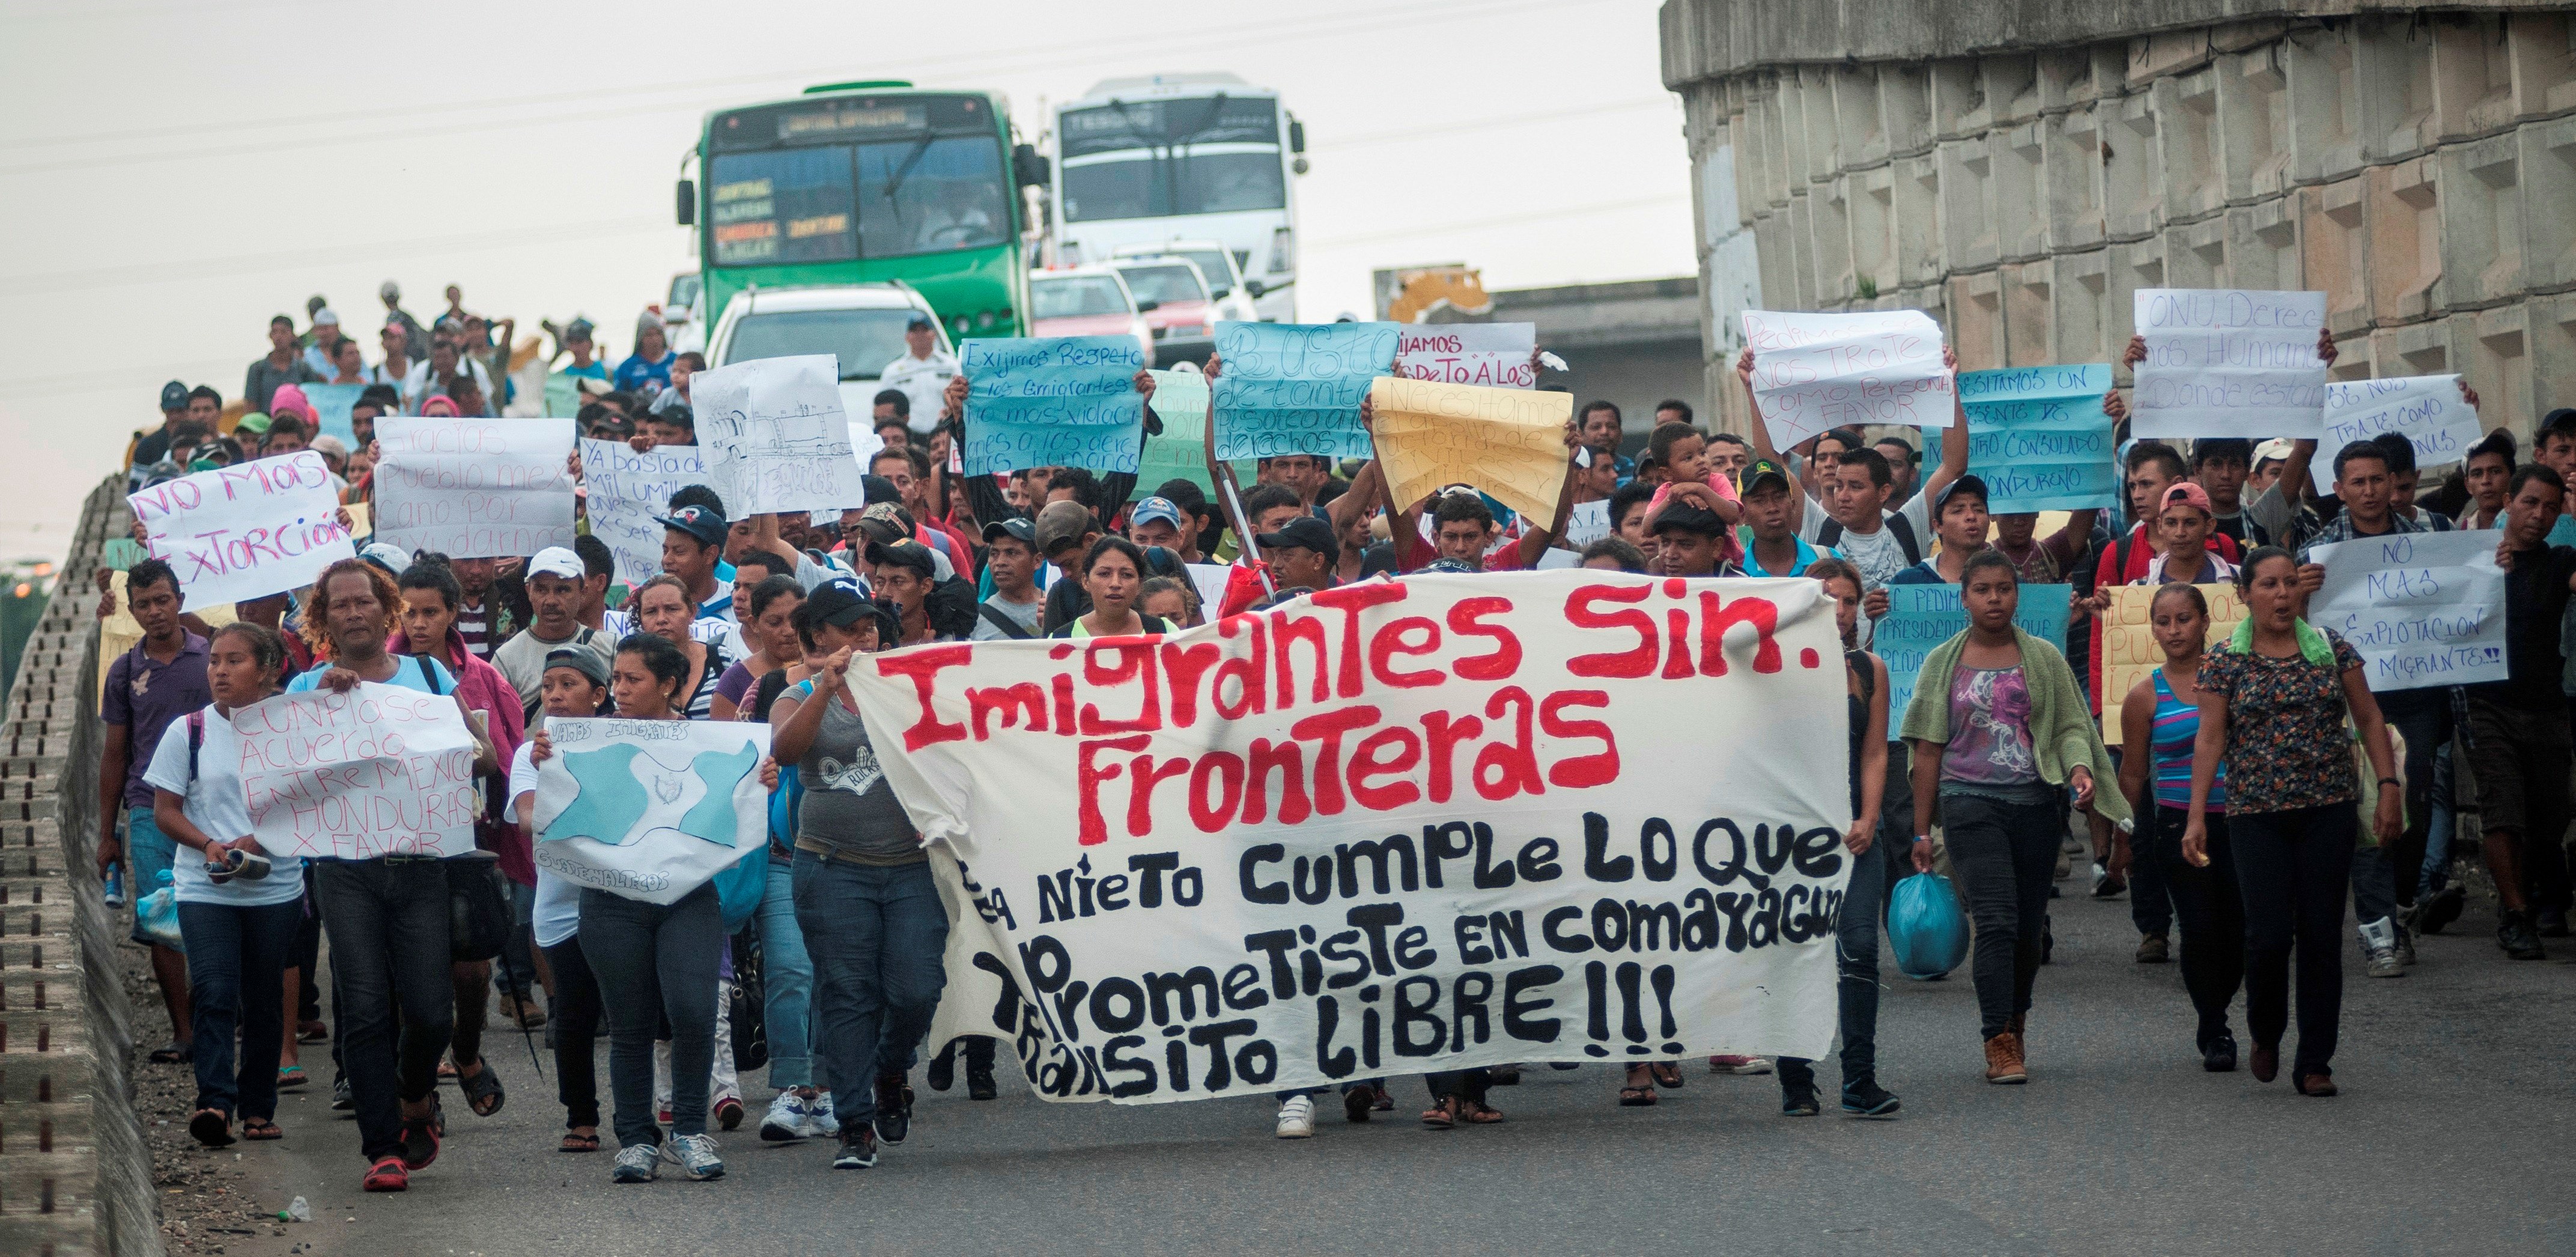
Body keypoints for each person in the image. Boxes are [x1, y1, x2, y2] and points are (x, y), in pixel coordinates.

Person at [290, 558, 497, 1192]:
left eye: (364, 601)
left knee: (432, 1011)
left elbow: (484, 759)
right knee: (368, 1008)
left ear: (388, 610)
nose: (354, 612)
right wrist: (326, 713)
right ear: (323, 619)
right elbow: (285, 779)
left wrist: (437, 738)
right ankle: (382, 1146)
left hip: (421, 866)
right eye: (339, 604)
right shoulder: (304, 689)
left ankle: (414, 1094)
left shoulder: (429, 674)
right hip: (345, 870)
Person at [1901, 551, 2124, 1085]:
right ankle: (1997, 1038)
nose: (1994, 598)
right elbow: (1927, 748)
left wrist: (2078, 770)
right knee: (1997, 921)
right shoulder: (1943, 662)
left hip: (2035, 804)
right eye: (1983, 589)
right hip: (1968, 802)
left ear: (2017, 595)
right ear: (1965, 597)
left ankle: (2016, 1017)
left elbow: (2071, 726)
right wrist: (1920, 830)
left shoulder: (2043, 658)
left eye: (2004, 588)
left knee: (2027, 929)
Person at [2183, 547, 2401, 1096]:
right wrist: (2195, 817)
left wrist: (2390, 786)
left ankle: (2315, 1060)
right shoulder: (2223, 661)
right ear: (2246, 594)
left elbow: (2369, 717)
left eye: (2289, 584)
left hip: (2328, 811)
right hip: (2255, 816)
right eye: (2269, 585)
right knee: (2268, 936)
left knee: (2323, 934)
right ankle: (2266, 1030)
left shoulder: (2331, 650)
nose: (2282, 595)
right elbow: (2210, 738)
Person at [527, 635, 732, 1183]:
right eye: (615, 678)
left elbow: (736, 795)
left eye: (632, 679)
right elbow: (552, 803)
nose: (618, 689)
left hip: (688, 899)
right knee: (630, 1023)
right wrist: (543, 761)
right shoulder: (578, 740)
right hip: (610, 901)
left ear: (668, 685)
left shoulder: (705, 740)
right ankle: (637, 1139)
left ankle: (689, 1129)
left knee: (693, 1009)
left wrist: (757, 780)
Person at [768, 578, 946, 1171]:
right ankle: (853, 1123)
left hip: (911, 867)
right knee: (847, 993)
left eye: (869, 625)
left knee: (916, 987)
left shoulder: (908, 684)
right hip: (831, 867)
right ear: (818, 635)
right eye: (848, 626)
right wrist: (827, 685)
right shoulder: (794, 693)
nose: (863, 635)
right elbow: (789, 749)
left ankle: (892, 1066)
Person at [152, 622, 307, 1146]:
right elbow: (165, 811)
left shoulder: (292, 728)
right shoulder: (188, 731)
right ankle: (215, 1102)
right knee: (215, 989)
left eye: (234, 660)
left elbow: (308, 801)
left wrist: (259, 840)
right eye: (215, 659)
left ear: (267, 670)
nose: (219, 670)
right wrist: (207, 845)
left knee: (263, 999)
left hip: (275, 886)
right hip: (205, 884)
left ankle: (258, 1108)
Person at [2289, 440, 2437, 974]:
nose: (2371, 491)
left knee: (2411, 803)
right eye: (2359, 482)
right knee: (2372, 810)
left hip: (2416, 696)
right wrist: (2301, 595)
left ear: (2392, 482)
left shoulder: (2427, 543)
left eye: (2379, 480)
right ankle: (2380, 933)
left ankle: (2399, 906)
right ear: (2339, 490)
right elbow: (2293, 630)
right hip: (2351, 704)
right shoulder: (2319, 552)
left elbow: (2468, 594)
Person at [394, 558, 528, 1115]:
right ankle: (419, 1089)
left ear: (453, 613)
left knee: (471, 968)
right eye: (409, 611)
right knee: (409, 975)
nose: (419, 623)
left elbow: (499, 756)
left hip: (464, 838)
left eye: (431, 612)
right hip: (395, 844)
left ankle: (467, 1053)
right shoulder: (373, 674)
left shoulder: (480, 678)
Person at [1775, 558, 1900, 1118]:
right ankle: (1796, 1079)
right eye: (1828, 599)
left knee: (1861, 948)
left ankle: (1859, 1077)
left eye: (1849, 600)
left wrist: (1870, 817)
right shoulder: (1773, 667)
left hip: (1853, 833)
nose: (1841, 611)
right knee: (1794, 952)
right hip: (1789, 838)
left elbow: (1875, 751)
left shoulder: (1870, 669)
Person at [2116, 584, 2244, 1071]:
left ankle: (2219, 1001)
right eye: (2164, 621)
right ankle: (2214, 1026)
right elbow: (2132, 773)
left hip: (2239, 819)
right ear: (2152, 628)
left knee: (2240, 931)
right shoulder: (2144, 695)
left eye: (2184, 619)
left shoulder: (2232, 679)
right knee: (2199, 926)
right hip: (2176, 824)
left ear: (2205, 621)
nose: (2174, 630)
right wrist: (2122, 838)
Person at [97, 558, 208, 1065]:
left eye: (163, 599)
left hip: (210, 804)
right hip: (147, 805)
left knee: (215, 913)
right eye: (143, 604)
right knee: (163, 913)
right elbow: (115, 753)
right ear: (132, 609)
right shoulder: (124, 670)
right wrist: (106, 834)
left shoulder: (212, 658)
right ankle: (184, 1032)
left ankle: (217, 1017)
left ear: (179, 600)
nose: (155, 611)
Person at [2469, 467, 2576, 959]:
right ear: (2509, 501)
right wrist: (2484, 569)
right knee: (2502, 812)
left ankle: (2529, 896)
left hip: (2548, 710)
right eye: (2531, 503)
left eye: (2552, 507)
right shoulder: (2474, 559)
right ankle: (2515, 915)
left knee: (2549, 817)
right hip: (2490, 705)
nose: (2540, 515)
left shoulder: (2560, 561)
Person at [509, 649, 612, 1152]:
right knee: (573, 1012)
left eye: (568, 684)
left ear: (598, 694)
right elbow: (530, 820)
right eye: (548, 684)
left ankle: (655, 1109)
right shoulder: (527, 755)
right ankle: (582, 1116)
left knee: (637, 1011)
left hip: (623, 901)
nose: (554, 694)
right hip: (562, 907)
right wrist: (547, 769)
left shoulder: (624, 745)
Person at [492, 548, 616, 729]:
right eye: (541, 589)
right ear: (528, 591)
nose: (551, 601)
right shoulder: (506, 659)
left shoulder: (611, 648)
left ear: (583, 591)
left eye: (563, 590)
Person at [631, 574, 734, 719]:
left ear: (691, 613)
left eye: (672, 609)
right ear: (641, 620)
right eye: (651, 612)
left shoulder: (722, 660)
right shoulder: (628, 668)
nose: (661, 619)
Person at [712, 575, 804, 722]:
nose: (789, 631)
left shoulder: (825, 670)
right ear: (754, 624)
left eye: (797, 620)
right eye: (775, 623)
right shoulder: (734, 683)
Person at [1052, 537, 1170, 639]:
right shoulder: (1060, 640)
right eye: (1104, 574)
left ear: (1139, 584)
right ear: (1086, 581)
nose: (1115, 584)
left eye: (1127, 575)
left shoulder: (1166, 633)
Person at [1736, 459, 1834, 577]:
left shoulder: (1829, 560)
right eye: (1759, 501)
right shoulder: (1735, 573)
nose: (1772, 508)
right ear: (1743, 515)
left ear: (1793, 506)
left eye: (1779, 497)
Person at [1889, 477, 1993, 586]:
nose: (1971, 516)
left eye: (1979, 510)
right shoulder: (1908, 582)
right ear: (1938, 526)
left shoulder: (2008, 578)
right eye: (1958, 511)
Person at [881, 314, 958, 435]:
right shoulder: (893, 372)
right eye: (915, 331)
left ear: (934, 334)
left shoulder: (951, 366)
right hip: (910, 436)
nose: (920, 335)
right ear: (907, 337)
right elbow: (883, 408)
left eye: (924, 330)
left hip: (944, 434)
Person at [973, 518, 1046, 640]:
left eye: (1011, 553)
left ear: (1037, 561)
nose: (1000, 562)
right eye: (994, 554)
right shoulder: (977, 620)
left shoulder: (1055, 610)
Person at [2190, 438, 2268, 549]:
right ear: (2198, 470)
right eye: (2215, 465)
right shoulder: (2186, 525)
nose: (2226, 475)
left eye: (2235, 465)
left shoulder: (2262, 518)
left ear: (2247, 472)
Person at [246, 314, 323, 413]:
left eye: (284, 332)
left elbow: (313, 400)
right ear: (270, 336)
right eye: (275, 332)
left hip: (296, 424)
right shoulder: (257, 369)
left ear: (293, 336)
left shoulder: (303, 369)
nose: (279, 337)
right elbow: (250, 405)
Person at [2457, 430, 2515, 530]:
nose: (2486, 481)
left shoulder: (2535, 525)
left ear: (2512, 477)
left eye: (2495, 471)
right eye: (2477, 474)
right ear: (2468, 485)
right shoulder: (2460, 532)